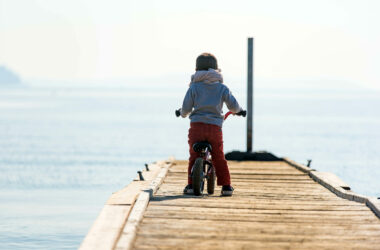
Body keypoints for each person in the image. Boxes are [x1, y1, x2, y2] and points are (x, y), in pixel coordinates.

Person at [178, 53, 243, 196]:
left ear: (196, 69)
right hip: (214, 128)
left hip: (197, 127)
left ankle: (190, 185)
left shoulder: (194, 87)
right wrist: (239, 111)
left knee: (194, 155)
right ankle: (226, 187)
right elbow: (233, 106)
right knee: (218, 156)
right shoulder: (222, 88)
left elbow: (186, 108)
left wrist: (182, 114)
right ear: (216, 69)